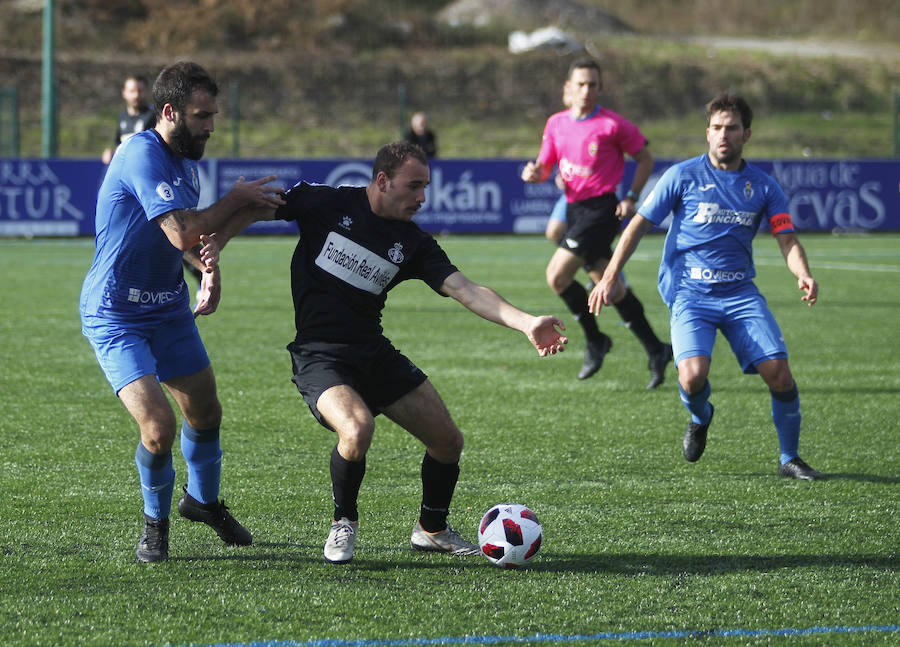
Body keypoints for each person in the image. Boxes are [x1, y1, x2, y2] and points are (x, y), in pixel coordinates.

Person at [215, 141, 568, 564]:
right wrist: (213, 248)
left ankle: (431, 529)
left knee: (447, 441)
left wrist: (526, 321)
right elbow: (254, 209)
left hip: (373, 354)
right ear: (382, 181)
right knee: (357, 430)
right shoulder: (325, 203)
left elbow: (467, 290)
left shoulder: (413, 243)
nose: (422, 198)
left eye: (426, 187)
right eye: (413, 186)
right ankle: (343, 521)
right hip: (319, 356)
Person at [79, 61, 286, 563]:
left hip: (168, 309)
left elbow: (178, 242)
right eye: (201, 116)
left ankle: (204, 501)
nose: (210, 126)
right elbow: (181, 230)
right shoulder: (140, 155)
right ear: (169, 111)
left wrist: (206, 272)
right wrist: (236, 199)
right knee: (158, 427)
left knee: (207, 411)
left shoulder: (186, 165)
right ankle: (155, 524)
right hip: (116, 314)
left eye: (213, 115)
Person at [588, 93, 823, 481]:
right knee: (692, 377)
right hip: (689, 294)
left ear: (746, 133)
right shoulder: (682, 176)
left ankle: (789, 458)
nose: (723, 135)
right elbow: (638, 225)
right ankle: (701, 416)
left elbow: (787, 238)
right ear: (707, 133)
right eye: (716, 128)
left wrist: (803, 273)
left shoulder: (763, 186)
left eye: (731, 128)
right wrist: (610, 275)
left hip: (740, 294)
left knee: (779, 373)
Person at [522, 58, 672, 388]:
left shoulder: (612, 125)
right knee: (613, 289)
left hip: (601, 212)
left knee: (557, 276)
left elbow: (645, 158)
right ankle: (657, 348)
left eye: (593, 84)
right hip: (575, 210)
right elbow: (545, 167)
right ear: (568, 89)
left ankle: (595, 340)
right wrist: (533, 174)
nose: (587, 90)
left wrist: (632, 195)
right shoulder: (556, 123)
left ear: (600, 89)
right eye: (581, 84)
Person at [101, 74, 157, 165]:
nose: (136, 95)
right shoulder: (122, 117)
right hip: (126, 167)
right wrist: (111, 153)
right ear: (124, 93)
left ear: (146, 92)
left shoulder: (154, 116)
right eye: (132, 91)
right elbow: (119, 144)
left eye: (140, 91)